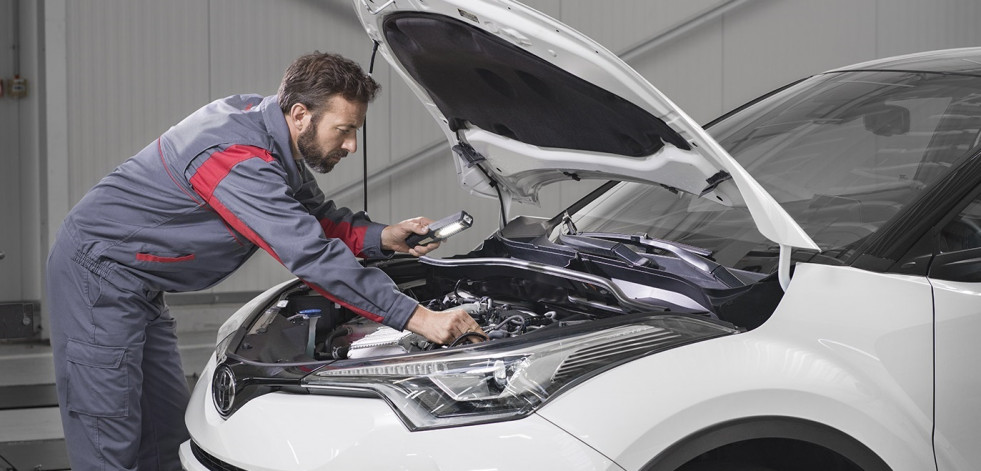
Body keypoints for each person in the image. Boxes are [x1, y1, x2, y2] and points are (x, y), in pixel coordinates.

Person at [45, 51, 483, 470]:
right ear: (299, 115)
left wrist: (384, 237)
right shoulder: (234, 156)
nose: (351, 145)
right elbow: (309, 252)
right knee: (109, 431)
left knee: (163, 430)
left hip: (141, 283)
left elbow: (316, 220)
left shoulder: (271, 138)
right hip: (98, 277)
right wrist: (417, 317)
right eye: (344, 130)